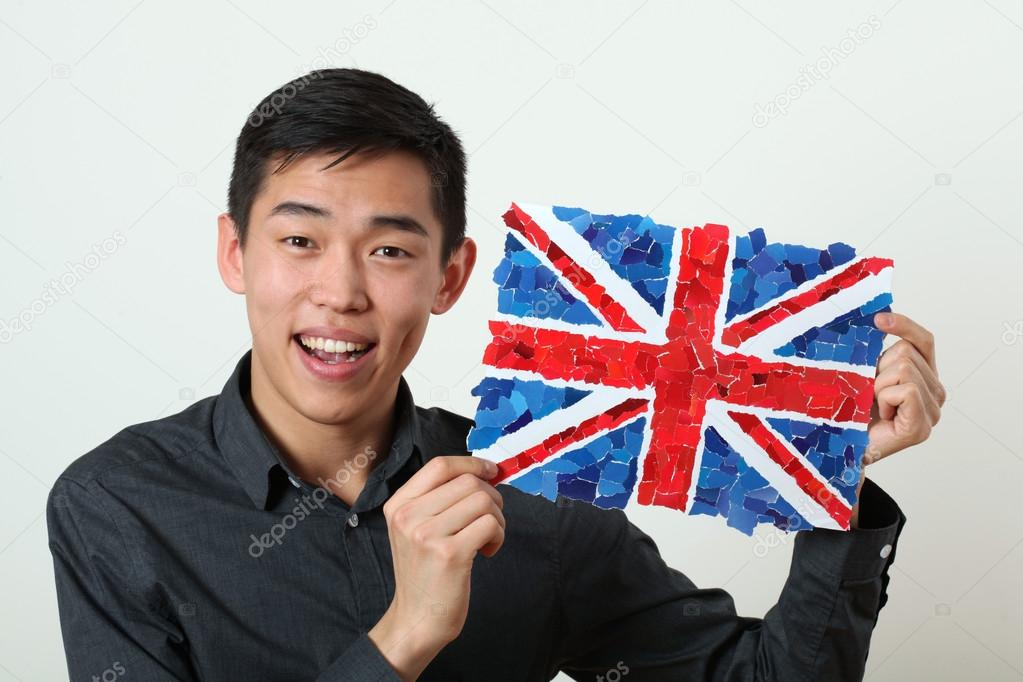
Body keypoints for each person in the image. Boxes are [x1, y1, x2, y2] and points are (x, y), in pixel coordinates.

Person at [46, 68, 945, 681]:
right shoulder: (115, 505)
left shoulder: (539, 487)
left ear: (450, 277)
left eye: (390, 249)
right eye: (299, 240)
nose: (341, 292)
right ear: (234, 252)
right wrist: (404, 637)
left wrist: (835, 477)